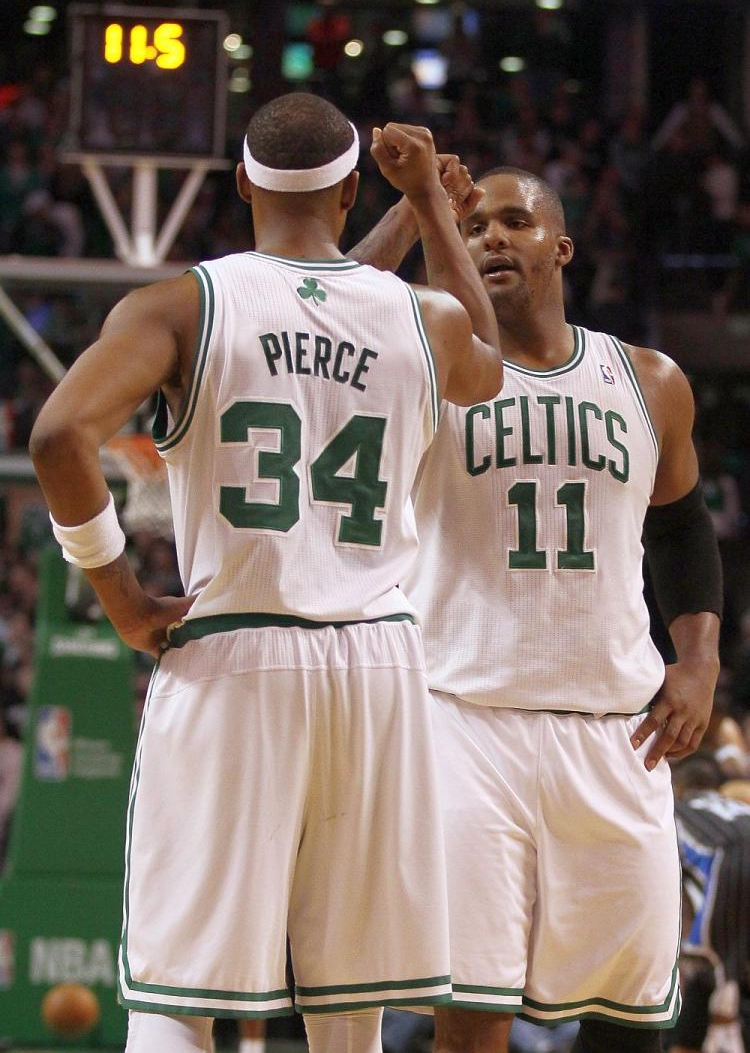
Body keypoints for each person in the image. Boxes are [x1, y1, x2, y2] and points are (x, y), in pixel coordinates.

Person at [29, 93, 503, 1053]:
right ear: (350, 187)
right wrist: (429, 211)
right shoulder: (424, 320)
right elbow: (482, 357)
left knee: (178, 991)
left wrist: (121, 597)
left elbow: (57, 436)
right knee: (350, 1008)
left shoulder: (180, 306)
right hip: (378, 664)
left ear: (241, 181)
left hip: (237, 652)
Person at [379, 165, 721, 1053]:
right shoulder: (429, 373)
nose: (491, 235)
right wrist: (420, 211)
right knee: (471, 1012)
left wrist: (699, 661)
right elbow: (335, 309)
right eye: (476, 223)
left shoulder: (649, 380)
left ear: (560, 248)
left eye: (514, 221)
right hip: (465, 721)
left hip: (615, 730)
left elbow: (684, 531)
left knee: (633, 1008)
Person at [670, 754, 750, 1053]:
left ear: (677, 787)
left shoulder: (673, 812)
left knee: (709, 980)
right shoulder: (737, 809)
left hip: (729, 874)